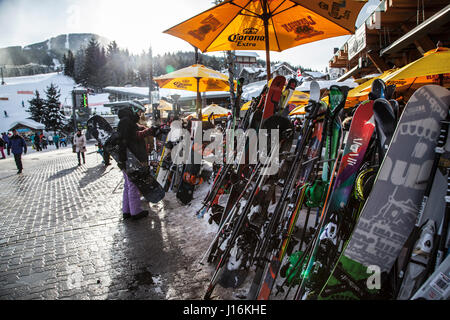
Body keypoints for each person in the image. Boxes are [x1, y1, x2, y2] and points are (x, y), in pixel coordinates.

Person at [117, 104, 161, 221]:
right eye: (139, 112)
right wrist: (149, 131)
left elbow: (137, 130)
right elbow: (134, 136)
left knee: (128, 184)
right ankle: (135, 212)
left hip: (127, 158)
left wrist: (148, 130)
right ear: (134, 109)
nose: (140, 114)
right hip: (132, 158)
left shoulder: (126, 121)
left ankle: (127, 211)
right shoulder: (126, 122)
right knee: (134, 185)